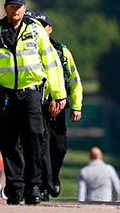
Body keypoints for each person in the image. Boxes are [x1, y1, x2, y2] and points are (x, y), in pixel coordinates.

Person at [0, 0, 67, 205]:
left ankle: (33, 186)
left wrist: (58, 93)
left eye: (18, 6)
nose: (15, 10)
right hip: (3, 96)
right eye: (11, 6)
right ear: (5, 8)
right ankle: (15, 188)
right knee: (8, 142)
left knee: (34, 138)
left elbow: (51, 63)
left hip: (31, 93)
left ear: (24, 8)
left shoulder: (35, 30)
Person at [31, 12, 83, 200]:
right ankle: (44, 185)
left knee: (59, 147)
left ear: (50, 29)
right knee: (41, 146)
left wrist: (76, 106)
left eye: (43, 26)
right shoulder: (29, 50)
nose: (40, 29)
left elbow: (75, 81)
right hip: (39, 106)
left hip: (59, 107)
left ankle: (54, 176)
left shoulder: (62, 51)